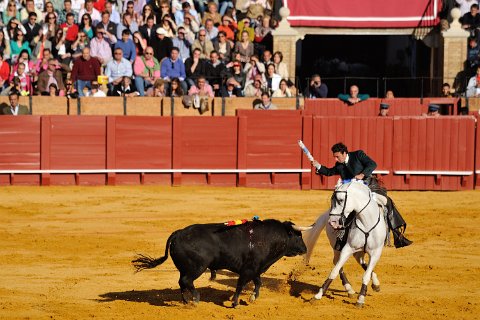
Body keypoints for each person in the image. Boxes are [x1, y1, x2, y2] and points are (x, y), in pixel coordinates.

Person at [311, 142, 412, 248]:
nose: (336, 159)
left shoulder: (358, 155)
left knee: (387, 201)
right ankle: (342, 239)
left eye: (337, 156)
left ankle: (398, 236)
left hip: (369, 187)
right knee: (344, 209)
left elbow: (372, 164)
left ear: (344, 153)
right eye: (334, 157)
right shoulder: (339, 165)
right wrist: (319, 166)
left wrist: (362, 174)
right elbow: (329, 172)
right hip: (353, 193)